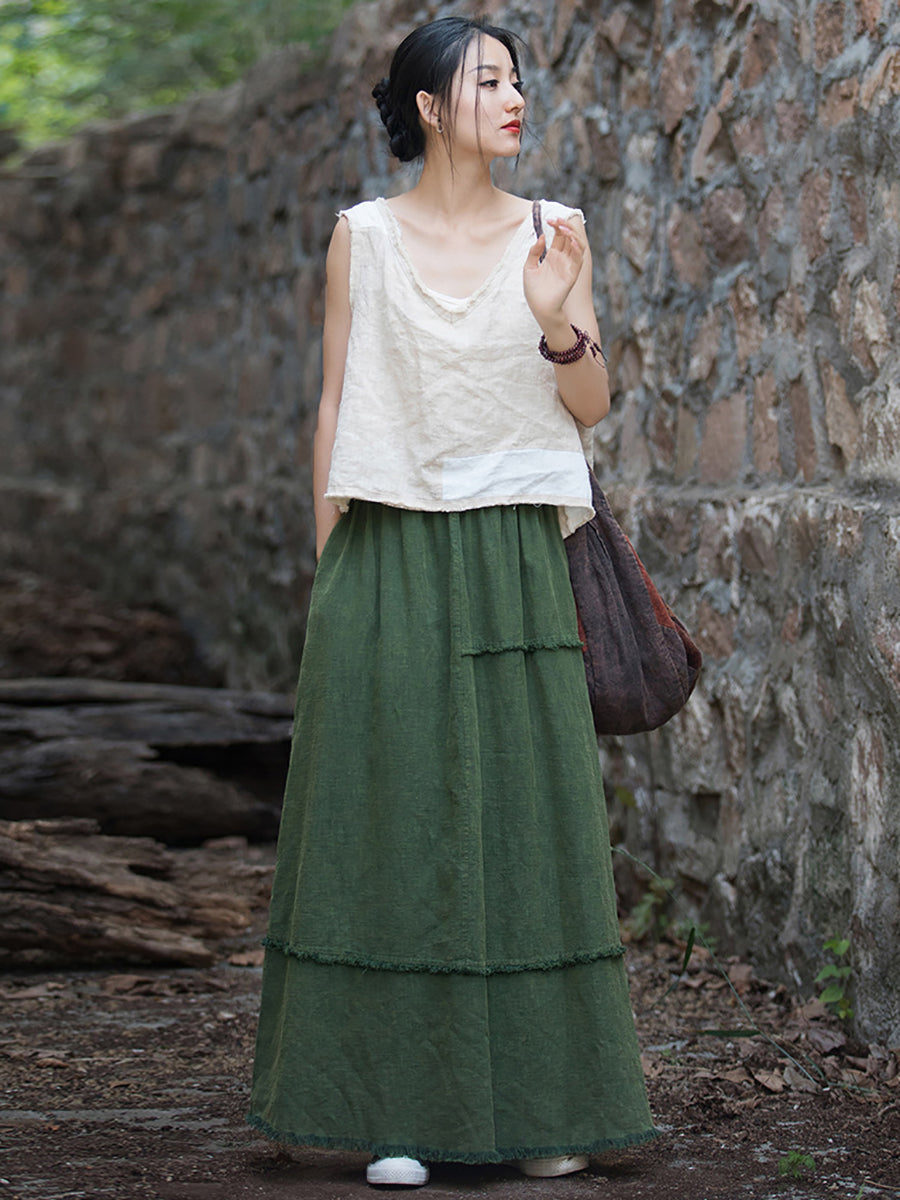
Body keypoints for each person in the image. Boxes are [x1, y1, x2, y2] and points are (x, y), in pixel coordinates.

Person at [248, 15, 656, 1189]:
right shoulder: (360, 238)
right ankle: (392, 1110)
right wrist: (330, 562)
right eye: (489, 80)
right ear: (429, 108)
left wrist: (557, 315)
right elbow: (333, 404)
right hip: (385, 548)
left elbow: (592, 403)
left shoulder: (555, 230)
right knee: (390, 819)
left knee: (531, 827)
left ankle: (547, 1110)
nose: (515, 96)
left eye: (519, 79)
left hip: (520, 549)